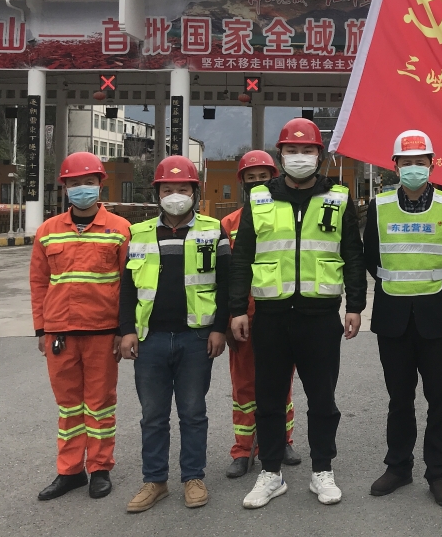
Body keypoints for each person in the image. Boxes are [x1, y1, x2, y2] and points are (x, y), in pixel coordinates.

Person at [228, 118, 365, 510]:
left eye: (308, 151)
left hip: (320, 317)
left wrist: (355, 304)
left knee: (323, 399)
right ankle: (271, 473)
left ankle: (323, 470)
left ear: (319, 156)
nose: (300, 157)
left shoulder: (338, 198)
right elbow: (242, 258)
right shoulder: (259, 199)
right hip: (270, 317)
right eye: (292, 150)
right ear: (280, 155)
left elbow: (352, 255)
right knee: (269, 398)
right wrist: (239, 309)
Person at [119, 155, 230, 513]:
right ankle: (155, 481)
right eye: (168, 189)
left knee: (193, 412)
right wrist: (126, 332)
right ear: (157, 194)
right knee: (152, 415)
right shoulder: (138, 234)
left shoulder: (214, 230)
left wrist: (219, 329)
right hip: (149, 339)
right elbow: (127, 290)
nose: (175, 195)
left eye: (183, 189)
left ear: (195, 192)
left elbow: (226, 285)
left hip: (195, 338)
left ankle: (193, 478)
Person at [364, 130, 442, 508]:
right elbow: (371, 258)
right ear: (394, 166)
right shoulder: (378, 206)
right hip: (392, 316)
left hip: (435, 317)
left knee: (440, 398)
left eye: (420, 162)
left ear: (432, 165)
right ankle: (399, 466)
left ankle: (440, 473)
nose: (413, 168)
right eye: (406, 162)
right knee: (399, 399)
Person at [30, 152, 131, 501]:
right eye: (74, 183)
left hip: (103, 332)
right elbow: (39, 283)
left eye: (88, 182)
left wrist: (123, 330)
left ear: (100, 185)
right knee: (69, 406)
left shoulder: (120, 229)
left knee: (100, 403)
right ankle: (70, 471)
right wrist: (42, 330)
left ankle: (100, 468)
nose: (81, 188)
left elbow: (128, 284)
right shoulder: (47, 232)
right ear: (65, 188)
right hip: (60, 332)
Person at [221, 150, 301, 479]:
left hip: (279, 311)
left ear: (275, 178)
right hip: (244, 316)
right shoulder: (229, 224)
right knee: (244, 387)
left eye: (263, 177)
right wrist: (229, 315)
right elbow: (225, 275)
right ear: (241, 183)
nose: (257, 183)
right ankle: (243, 450)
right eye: (250, 178)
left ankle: (282, 441)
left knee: (281, 384)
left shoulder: (287, 216)